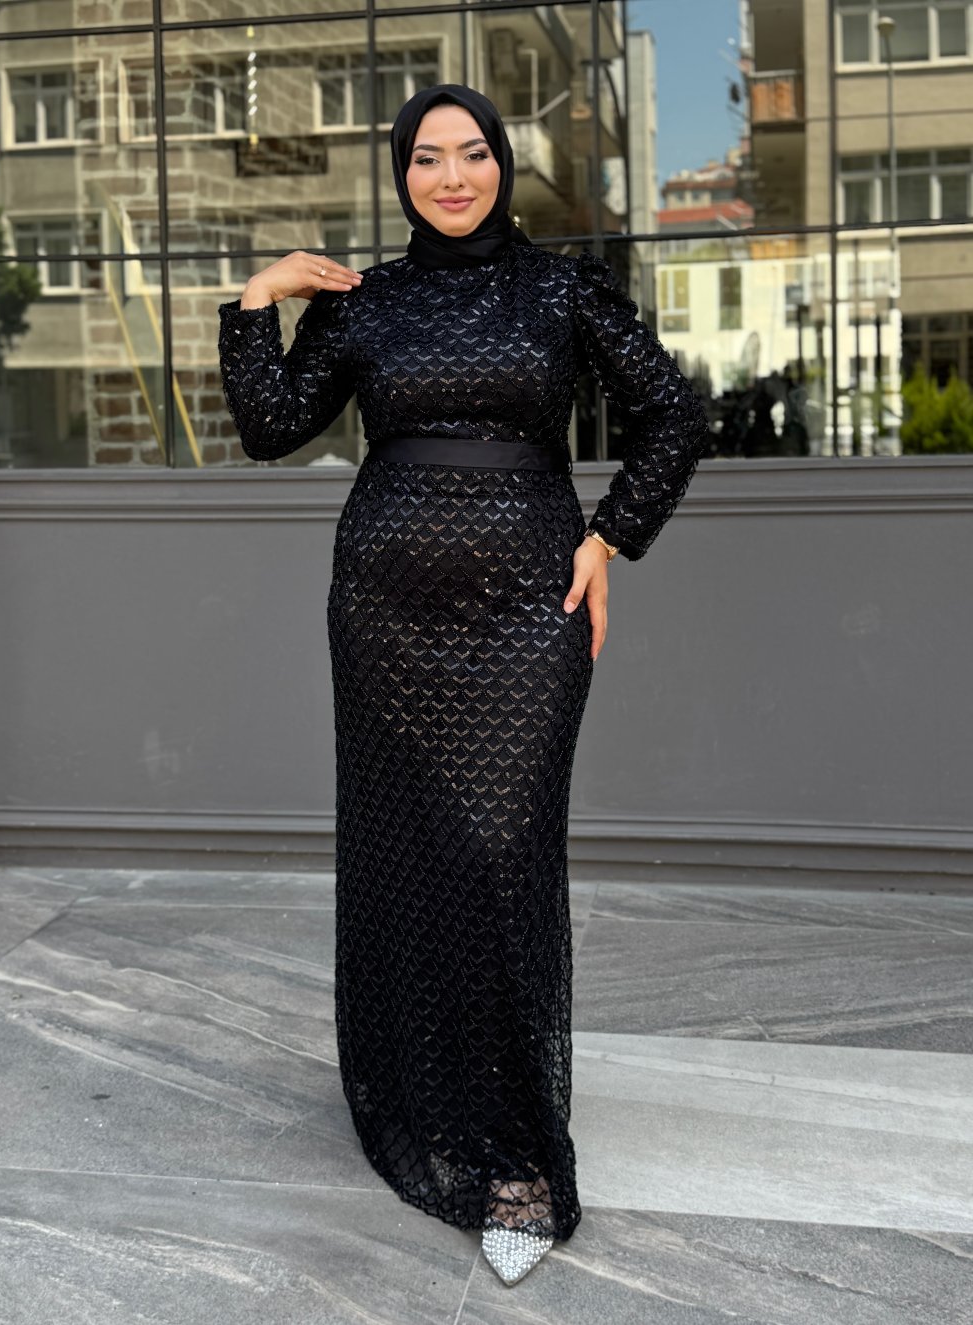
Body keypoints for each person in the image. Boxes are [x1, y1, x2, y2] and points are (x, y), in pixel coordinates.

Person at [218, 83, 709, 1287]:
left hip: (527, 608)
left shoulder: (560, 292)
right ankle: (420, 1085)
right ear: (401, 174)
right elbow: (272, 425)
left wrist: (610, 536)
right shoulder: (366, 300)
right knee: (414, 851)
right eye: (427, 158)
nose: (451, 176)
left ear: (503, 164)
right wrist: (256, 300)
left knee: (500, 854)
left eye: (473, 153)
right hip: (383, 610)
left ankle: (515, 1155)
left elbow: (671, 412)